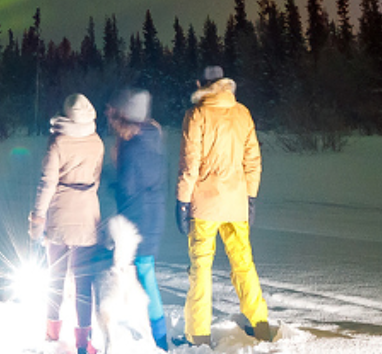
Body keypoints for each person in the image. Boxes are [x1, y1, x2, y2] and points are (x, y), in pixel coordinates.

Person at [177, 66, 274, 345]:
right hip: (236, 203)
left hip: (204, 206)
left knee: (201, 269)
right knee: (244, 263)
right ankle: (261, 325)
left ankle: (198, 334)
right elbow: (253, 161)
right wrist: (250, 197)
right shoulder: (242, 113)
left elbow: (189, 165)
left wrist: (182, 200)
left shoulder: (197, 115)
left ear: (203, 84)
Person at [31, 93, 105, 353]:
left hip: (60, 216)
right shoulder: (96, 141)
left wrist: (38, 217)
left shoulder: (57, 142)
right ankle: (84, 343)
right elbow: (96, 178)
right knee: (84, 282)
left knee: (55, 278)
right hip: (87, 215)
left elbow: (47, 182)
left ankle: (52, 333)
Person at [106, 88, 171, 350]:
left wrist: (110, 181)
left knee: (141, 274)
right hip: (152, 215)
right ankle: (156, 334)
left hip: (138, 220)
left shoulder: (133, 146)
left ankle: (158, 338)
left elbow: (128, 188)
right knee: (144, 273)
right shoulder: (153, 137)